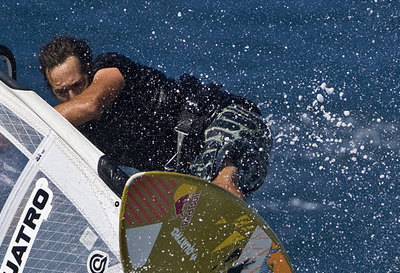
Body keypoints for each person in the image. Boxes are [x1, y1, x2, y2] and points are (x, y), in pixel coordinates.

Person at [37, 36, 269, 199]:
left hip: (226, 120)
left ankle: (227, 188)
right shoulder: (77, 134)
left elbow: (91, 104)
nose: (71, 95)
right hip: (193, 171)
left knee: (221, 174)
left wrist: (29, 118)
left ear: (90, 72)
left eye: (78, 84)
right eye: (61, 91)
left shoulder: (110, 68)